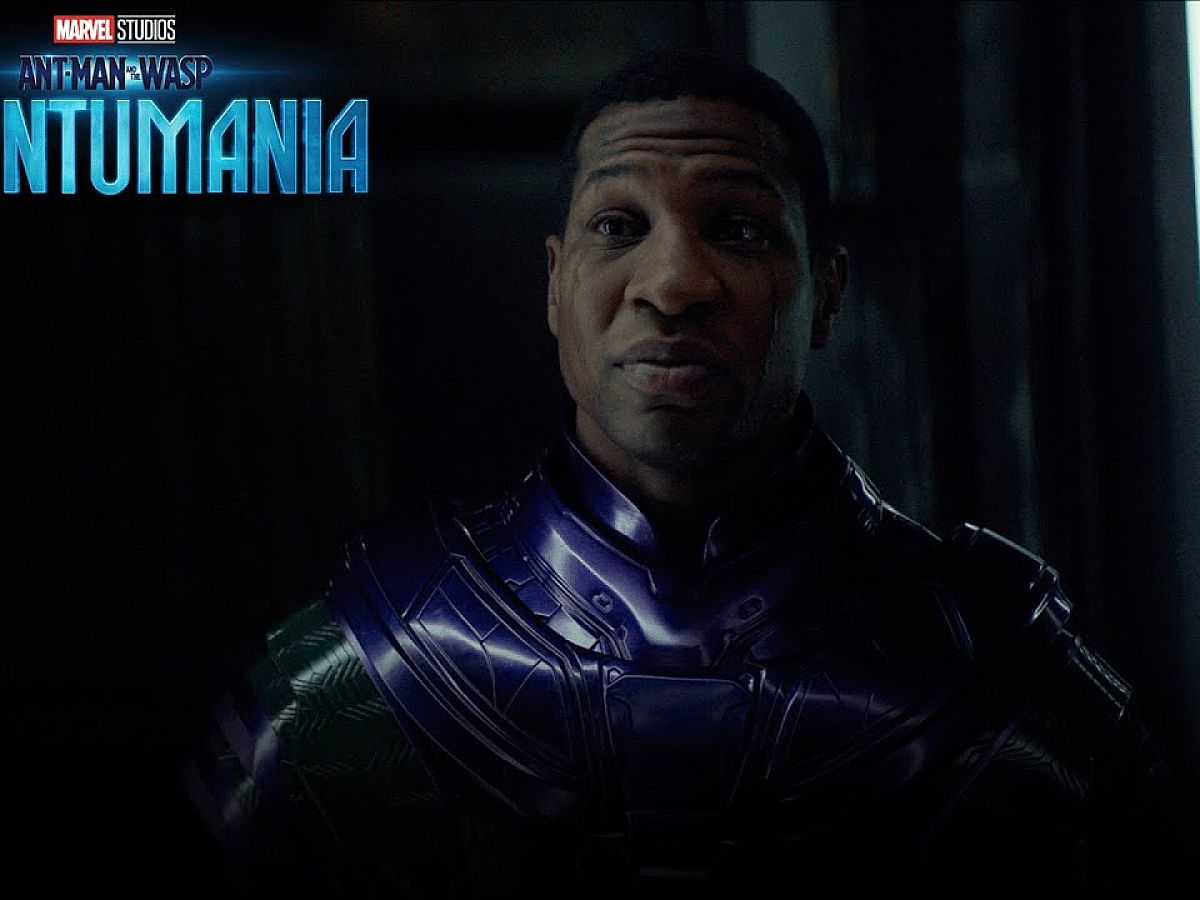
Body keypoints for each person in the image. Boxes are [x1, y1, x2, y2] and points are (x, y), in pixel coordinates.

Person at [184, 50, 1190, 898]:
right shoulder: (366, 662)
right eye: (619, 227)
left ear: (826, 290)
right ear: (555, 284)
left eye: (739, 229)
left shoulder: (1003, 677)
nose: (671, 286)